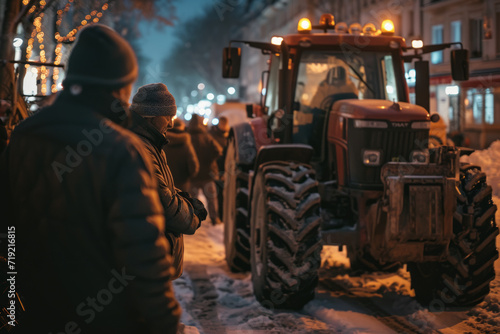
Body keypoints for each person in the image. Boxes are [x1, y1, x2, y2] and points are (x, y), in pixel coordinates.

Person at [0, 25, 180, 334]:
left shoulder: (24, 135)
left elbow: (8, 231)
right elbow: (143, 256)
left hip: (36, 315)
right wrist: (167, 323)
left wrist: (14, 309)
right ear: (120, 87)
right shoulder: (122, 149)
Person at [129, 82, 207, 279]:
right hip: (148, 264)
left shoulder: (152, 144)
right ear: (151, 116)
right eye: (168, 117)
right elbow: (166, 205)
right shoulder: (142, 149)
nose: (171, 123)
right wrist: (192, 216)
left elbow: (165, 190)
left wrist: (184, 198)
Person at [187, 114, 223, 225]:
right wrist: (210, 160)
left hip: (193, 174)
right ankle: (214, 218)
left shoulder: (187, 137)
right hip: (207, 174)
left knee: (192, 200)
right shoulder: (207, 137)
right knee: (211, 199)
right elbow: (218, 150)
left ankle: (192, 220)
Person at [165, 118, 199, 193]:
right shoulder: (186, 144)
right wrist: (190, 176)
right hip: (183, 182)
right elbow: (193, 164)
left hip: (165, 183)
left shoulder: (162, 142)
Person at [208, 116, 230, 219]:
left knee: (223, 193)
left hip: (225, 168)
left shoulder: (227, 136)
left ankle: (221, 215)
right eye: (223, 124)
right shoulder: (212, 135)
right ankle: (219, 215)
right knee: (217, 193)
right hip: (216, 167)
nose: (224, 126)